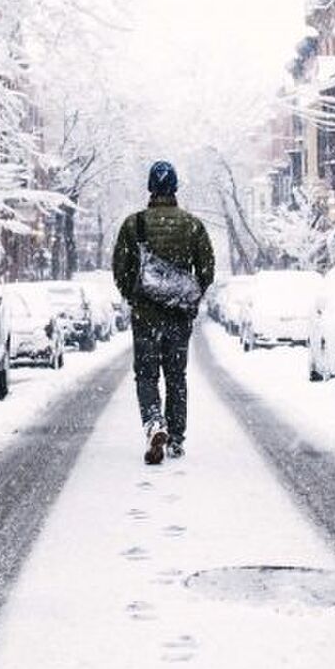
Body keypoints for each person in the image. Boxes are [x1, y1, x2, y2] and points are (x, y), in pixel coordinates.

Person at [113, 160, 215, 465]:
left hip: (145, 316)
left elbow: (120, 269)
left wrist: (134, 296)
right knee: (176, 376)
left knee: (146, 376)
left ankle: (154, 423)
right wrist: (189, 298)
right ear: (175, 188)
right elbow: (207, 269)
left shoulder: (135, 225)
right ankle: (177, 438)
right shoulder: (192, 225)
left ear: (150, 188)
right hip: (178, 318)